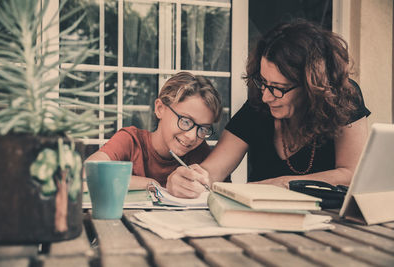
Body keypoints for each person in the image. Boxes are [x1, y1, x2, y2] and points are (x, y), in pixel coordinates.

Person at [166, 19, 370, 198]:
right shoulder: (258, 105)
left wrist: (281, 184)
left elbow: (351, 174)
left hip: (329, 223)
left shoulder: (343, 98)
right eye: (263, 82)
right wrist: (189, 180)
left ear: (312, 87)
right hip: (261, 222)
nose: (266, 96)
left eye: (278, 88)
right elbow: (211, 171)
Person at [85, 71, 222, 189]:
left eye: (203, 129)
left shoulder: (199, 153)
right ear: (160, 109)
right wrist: (153, 184)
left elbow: (225, 191)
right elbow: (87, 173)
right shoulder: (131, 141)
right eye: (186, 121)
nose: (192, 136)